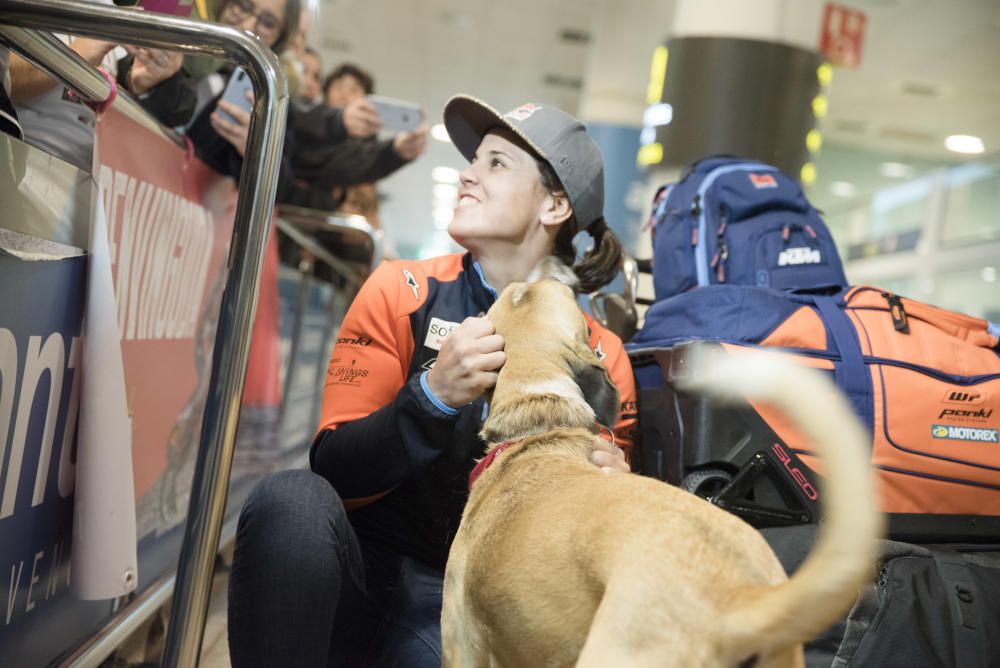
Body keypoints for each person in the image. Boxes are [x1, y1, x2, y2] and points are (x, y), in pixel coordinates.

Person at [227, 95, 639, 666]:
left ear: (554, 205)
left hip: (479, 613)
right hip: (360, 578)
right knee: (290, 500)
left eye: (496, 163)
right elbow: (336, 471)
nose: (468, 173)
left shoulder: (600, 355)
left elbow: (588, 554)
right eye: (474, 161)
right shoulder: (402, 290)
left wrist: (610, 491)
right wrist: (432, 397)